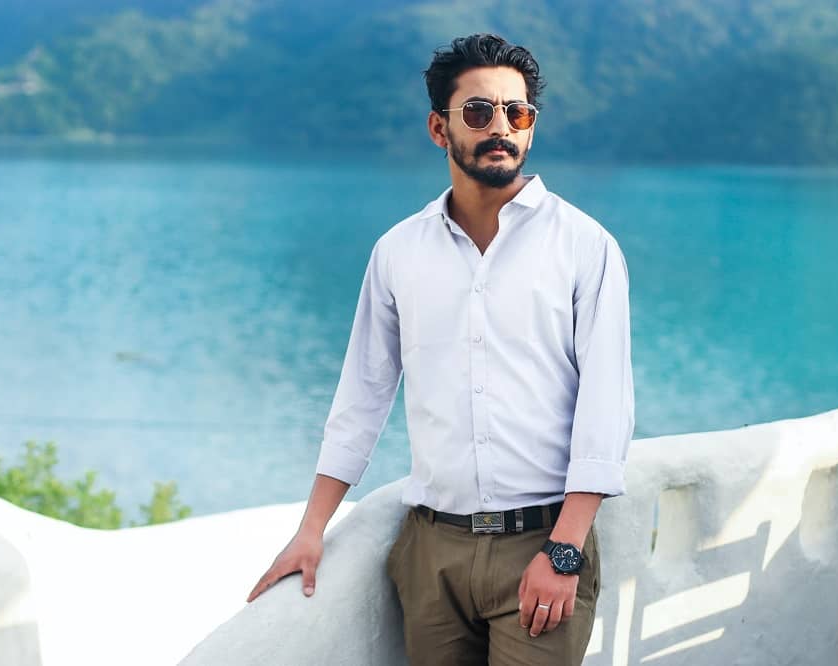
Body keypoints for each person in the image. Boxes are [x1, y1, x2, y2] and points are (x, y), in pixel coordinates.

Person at [246, 33, 635, 666]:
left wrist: (565, 551)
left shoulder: (585, 246)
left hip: (541, 545)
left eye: (517, 113)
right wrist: (310, 530)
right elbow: (362, 397)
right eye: (479, 111)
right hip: (430, 554)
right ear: (439, 128)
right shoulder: (398, 252)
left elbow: (606, 407)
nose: (501, 127)